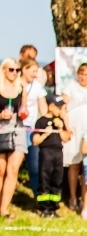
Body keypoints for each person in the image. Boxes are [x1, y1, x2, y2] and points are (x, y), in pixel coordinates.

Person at [61, 62, 87, 211]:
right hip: (74, 128)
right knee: (74, 164)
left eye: (86, 74)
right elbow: (63, 107)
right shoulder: (70, 86)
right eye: (81, 74)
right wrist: (66, 125)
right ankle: (72, 197)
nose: (83, 77)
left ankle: (85, 199)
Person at [32, 94, 71, 217]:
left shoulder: (60, 121)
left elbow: (66, 138)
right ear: (51, 106)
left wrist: (60, 128)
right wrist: (45, 134)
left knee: (57, 180)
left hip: (58, 153)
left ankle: (53, 208)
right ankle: (44, 208)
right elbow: (35, 141)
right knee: (45, 179)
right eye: (59, 108)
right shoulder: (41, 121)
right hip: (46, 152)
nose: (61, 110)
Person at [0, 58, 28, 219]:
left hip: (17, 130)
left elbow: (23, 108)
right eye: (12, 69)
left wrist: (24, 112)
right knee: (1, 171)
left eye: (17, 70)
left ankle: (4, 209)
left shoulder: (21, 88)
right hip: (1, 130)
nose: (15, 73)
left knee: (12, 170)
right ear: (3, 70)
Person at [20, 58, 47, 199]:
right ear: (24, 69)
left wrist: (45, 122)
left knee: (34, 164)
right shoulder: (15, 84)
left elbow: (43, 108)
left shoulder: (37, 86)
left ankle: (38, 196)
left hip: (30, 128)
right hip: (16, 128)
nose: (36, 74)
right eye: (33, 71)